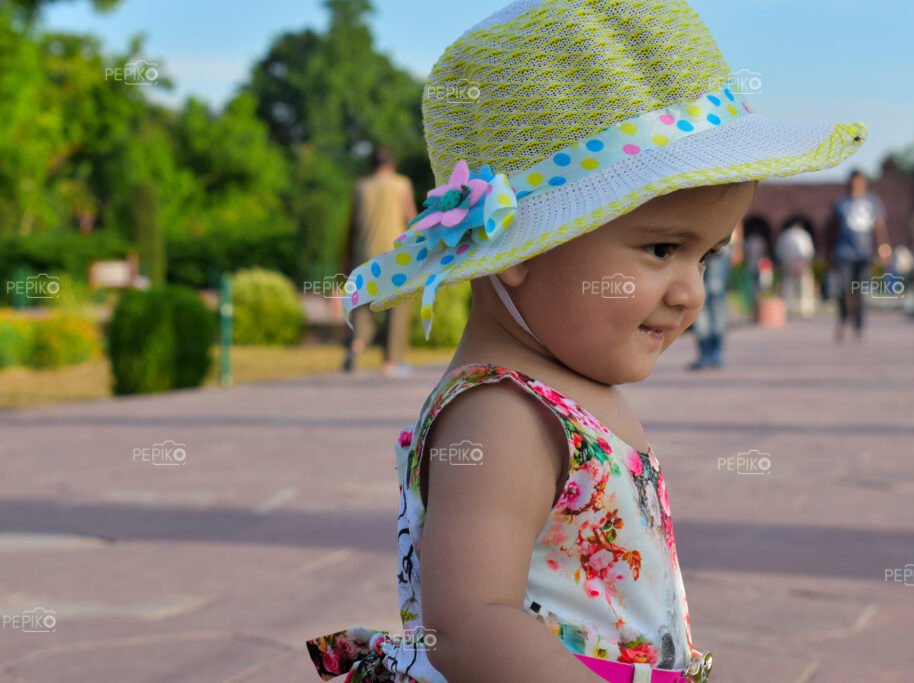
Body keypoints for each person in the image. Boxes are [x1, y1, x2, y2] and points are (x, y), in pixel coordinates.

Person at [305, 2, 868, 681]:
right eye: (662, 248)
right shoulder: (500, 415)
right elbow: (466, 622)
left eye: (708, 258)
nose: (690, 291)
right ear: (520, 247)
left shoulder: (565, 391)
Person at [342, 145, 418, 376]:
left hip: (363, 252)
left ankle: (357, 345)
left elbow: (352, 227)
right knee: (398, 303)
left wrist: (346, 258)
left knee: (363, 305)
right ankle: (391, 361)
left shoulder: (360, 187)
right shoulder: (401, 184)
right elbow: (411, 219)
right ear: (391, 164)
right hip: (394, 253)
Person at [828, 170, 890, 342]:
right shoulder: (841, 203)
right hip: (844, 253)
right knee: (843, 289)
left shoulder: (873, 202)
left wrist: (883, 247)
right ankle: (843, 319)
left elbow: (879, 227)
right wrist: (828, 253)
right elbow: (831, 229)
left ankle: (859, 326)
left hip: (864, 255)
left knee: (859, 291)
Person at [689, 223, 740, 369]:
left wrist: (738, 243)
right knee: (700, 296)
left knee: (715, 295)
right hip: (699, 240)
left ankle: (715, 350)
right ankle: (705, 351)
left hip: (721, 242)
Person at [776, 219, 816, 318]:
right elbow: (809, 250)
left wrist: (785, 262)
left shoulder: (785, 235)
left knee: (788, 287)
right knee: (804, 287)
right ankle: (806, 309)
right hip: (801, 261)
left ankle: (786, 308)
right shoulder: (804, 235)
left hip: (789, 262)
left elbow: (779, 250)